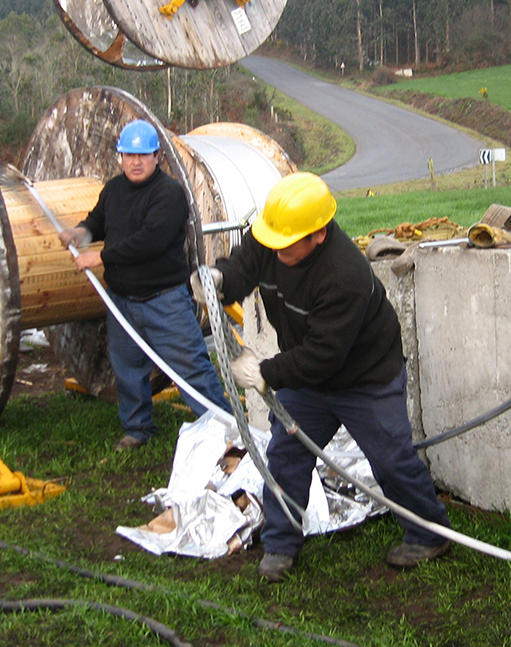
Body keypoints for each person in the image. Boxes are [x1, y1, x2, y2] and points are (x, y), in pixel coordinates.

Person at [191, 171, 452, 582]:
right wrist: (222, 281)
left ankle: (428, 532)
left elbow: (323, 356)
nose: (275, 251)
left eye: (286, 245)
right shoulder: (278, 235)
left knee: (391, 458)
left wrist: (264, 372)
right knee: (286, 454)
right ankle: (280, 544)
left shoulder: (343, 275)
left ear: (319, 235)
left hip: (366, 377)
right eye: (271, 240)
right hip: (309, 376)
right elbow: (247, 264)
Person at [59, 119, 229, 451]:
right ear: (120, 156)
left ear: (157, 156)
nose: (135, 162)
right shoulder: (114, 189)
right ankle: (137, 430)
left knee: (190, 367)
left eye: (143, 155)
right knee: (128, 369)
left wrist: (101, 258)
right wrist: (81, 233)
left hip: (164, 301)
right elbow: (98, 221)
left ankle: (223, 432)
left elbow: (149, 241)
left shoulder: (170, 194)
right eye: (128, 155)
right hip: (121, 300)